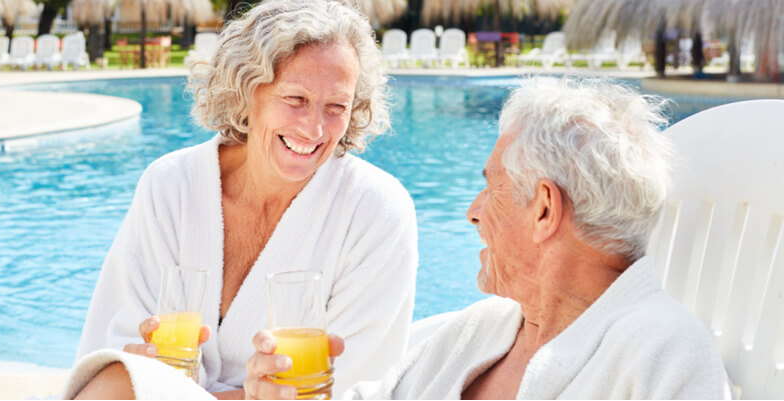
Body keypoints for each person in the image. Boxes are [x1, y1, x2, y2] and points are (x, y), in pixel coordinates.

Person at [241, 77, 732, 399]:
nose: (472, 212)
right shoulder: (483, 330)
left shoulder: (664, 355)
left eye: (491, 187)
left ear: (544, 208)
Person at [67, 0, 418, 398]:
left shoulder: (376, 210)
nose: (314, 128)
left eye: (336, 107)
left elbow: (352, 384)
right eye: (295, 99)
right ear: (247, 90)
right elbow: (121, 352)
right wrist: (142, 361)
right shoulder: (171, 186)